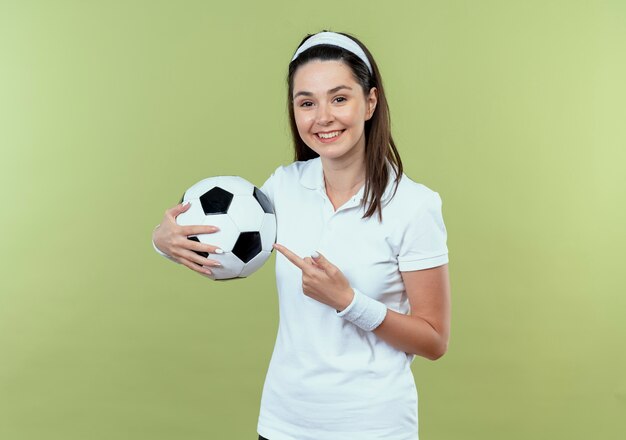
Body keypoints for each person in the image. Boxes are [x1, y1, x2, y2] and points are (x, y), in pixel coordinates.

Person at [152, 30, 451, 440]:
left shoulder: (414, 205)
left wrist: (348, 302)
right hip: (284, 424)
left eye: (339, 98)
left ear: (371, 102)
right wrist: (164, 241)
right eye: (306, 102)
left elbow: (434, 340)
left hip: (374, 426)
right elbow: (218, 241)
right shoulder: (283, 188)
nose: (322, 117)